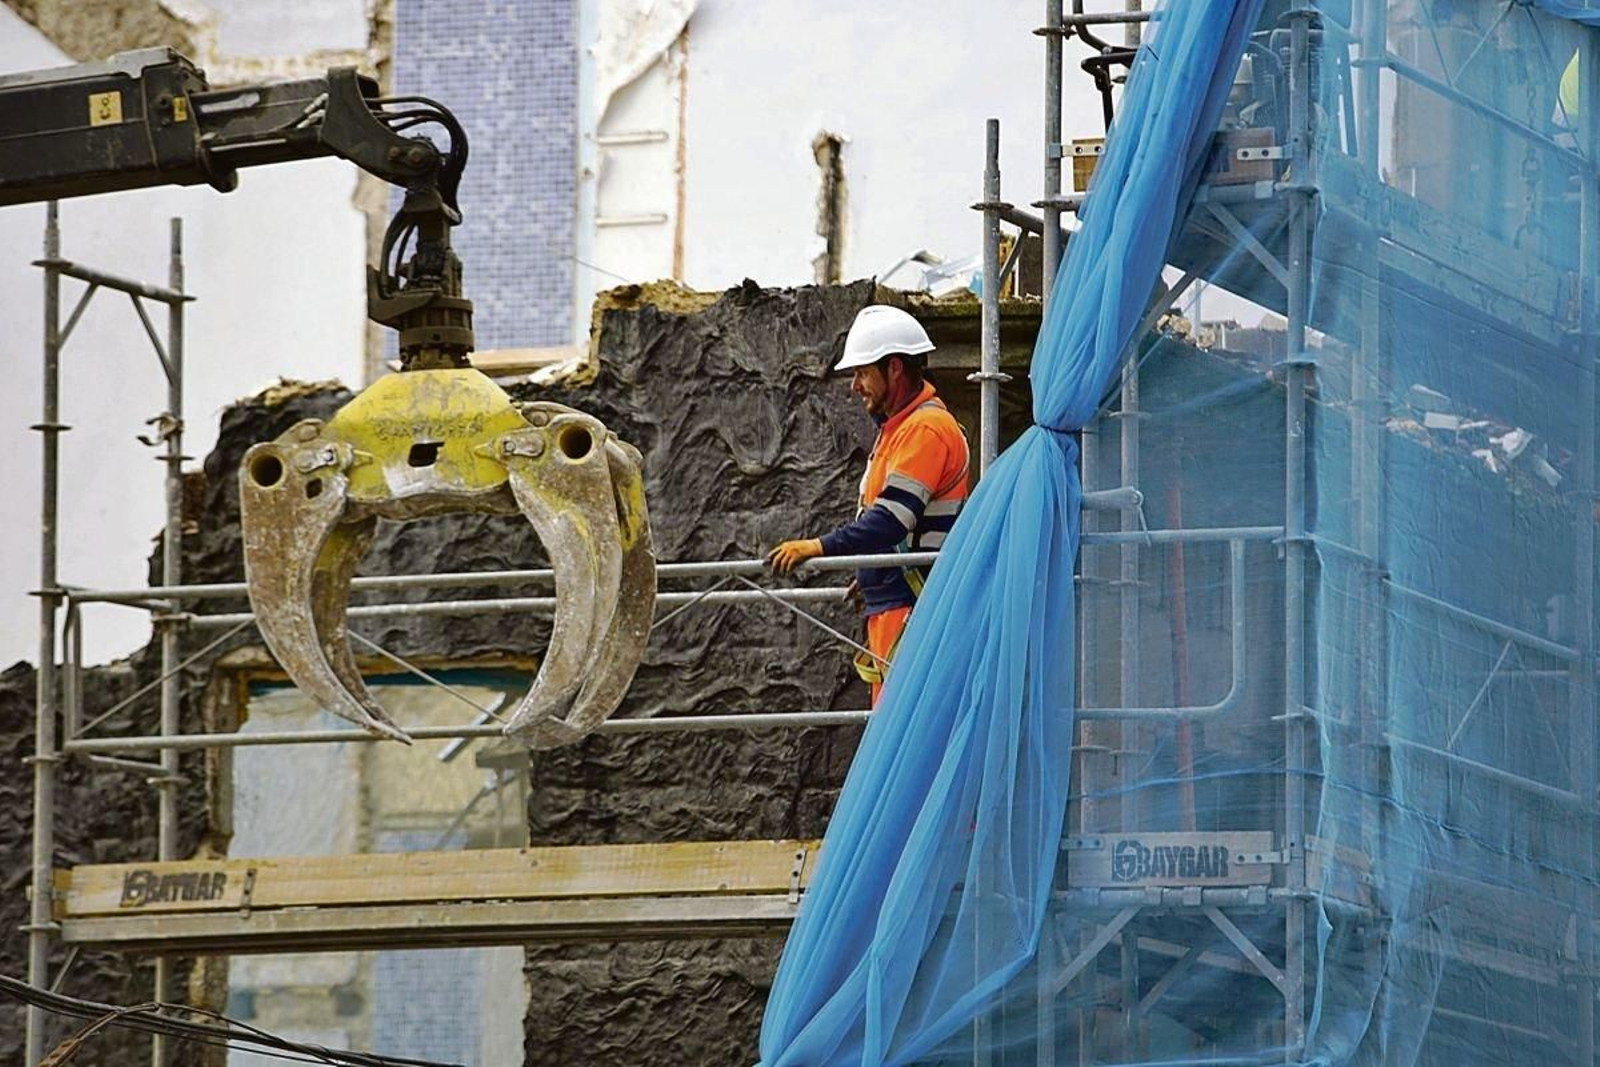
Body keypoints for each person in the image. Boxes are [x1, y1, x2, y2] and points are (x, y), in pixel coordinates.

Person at [767, 305, 970, 705]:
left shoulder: (925, 429)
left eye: (862, 373)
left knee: (903, 736)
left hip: (912, 610)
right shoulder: (902, 429)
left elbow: (891, 521)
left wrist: (819, 547)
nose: (854, 385)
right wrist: (874, 571)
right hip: (897, 606)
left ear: (894, 368)